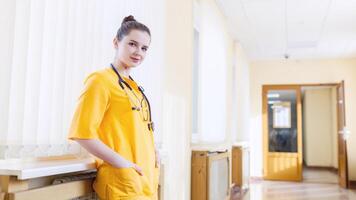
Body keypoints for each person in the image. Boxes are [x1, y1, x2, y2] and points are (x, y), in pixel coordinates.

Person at [68, 15, 159, 200]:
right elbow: (82, 133)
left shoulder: (134, 88)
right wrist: (123, 164)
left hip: (145, 180)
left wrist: (154, 151)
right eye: (132, 44)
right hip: (123, 182)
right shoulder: (100, 81)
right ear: (116, 42)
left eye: (144, 48)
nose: (138, 52)